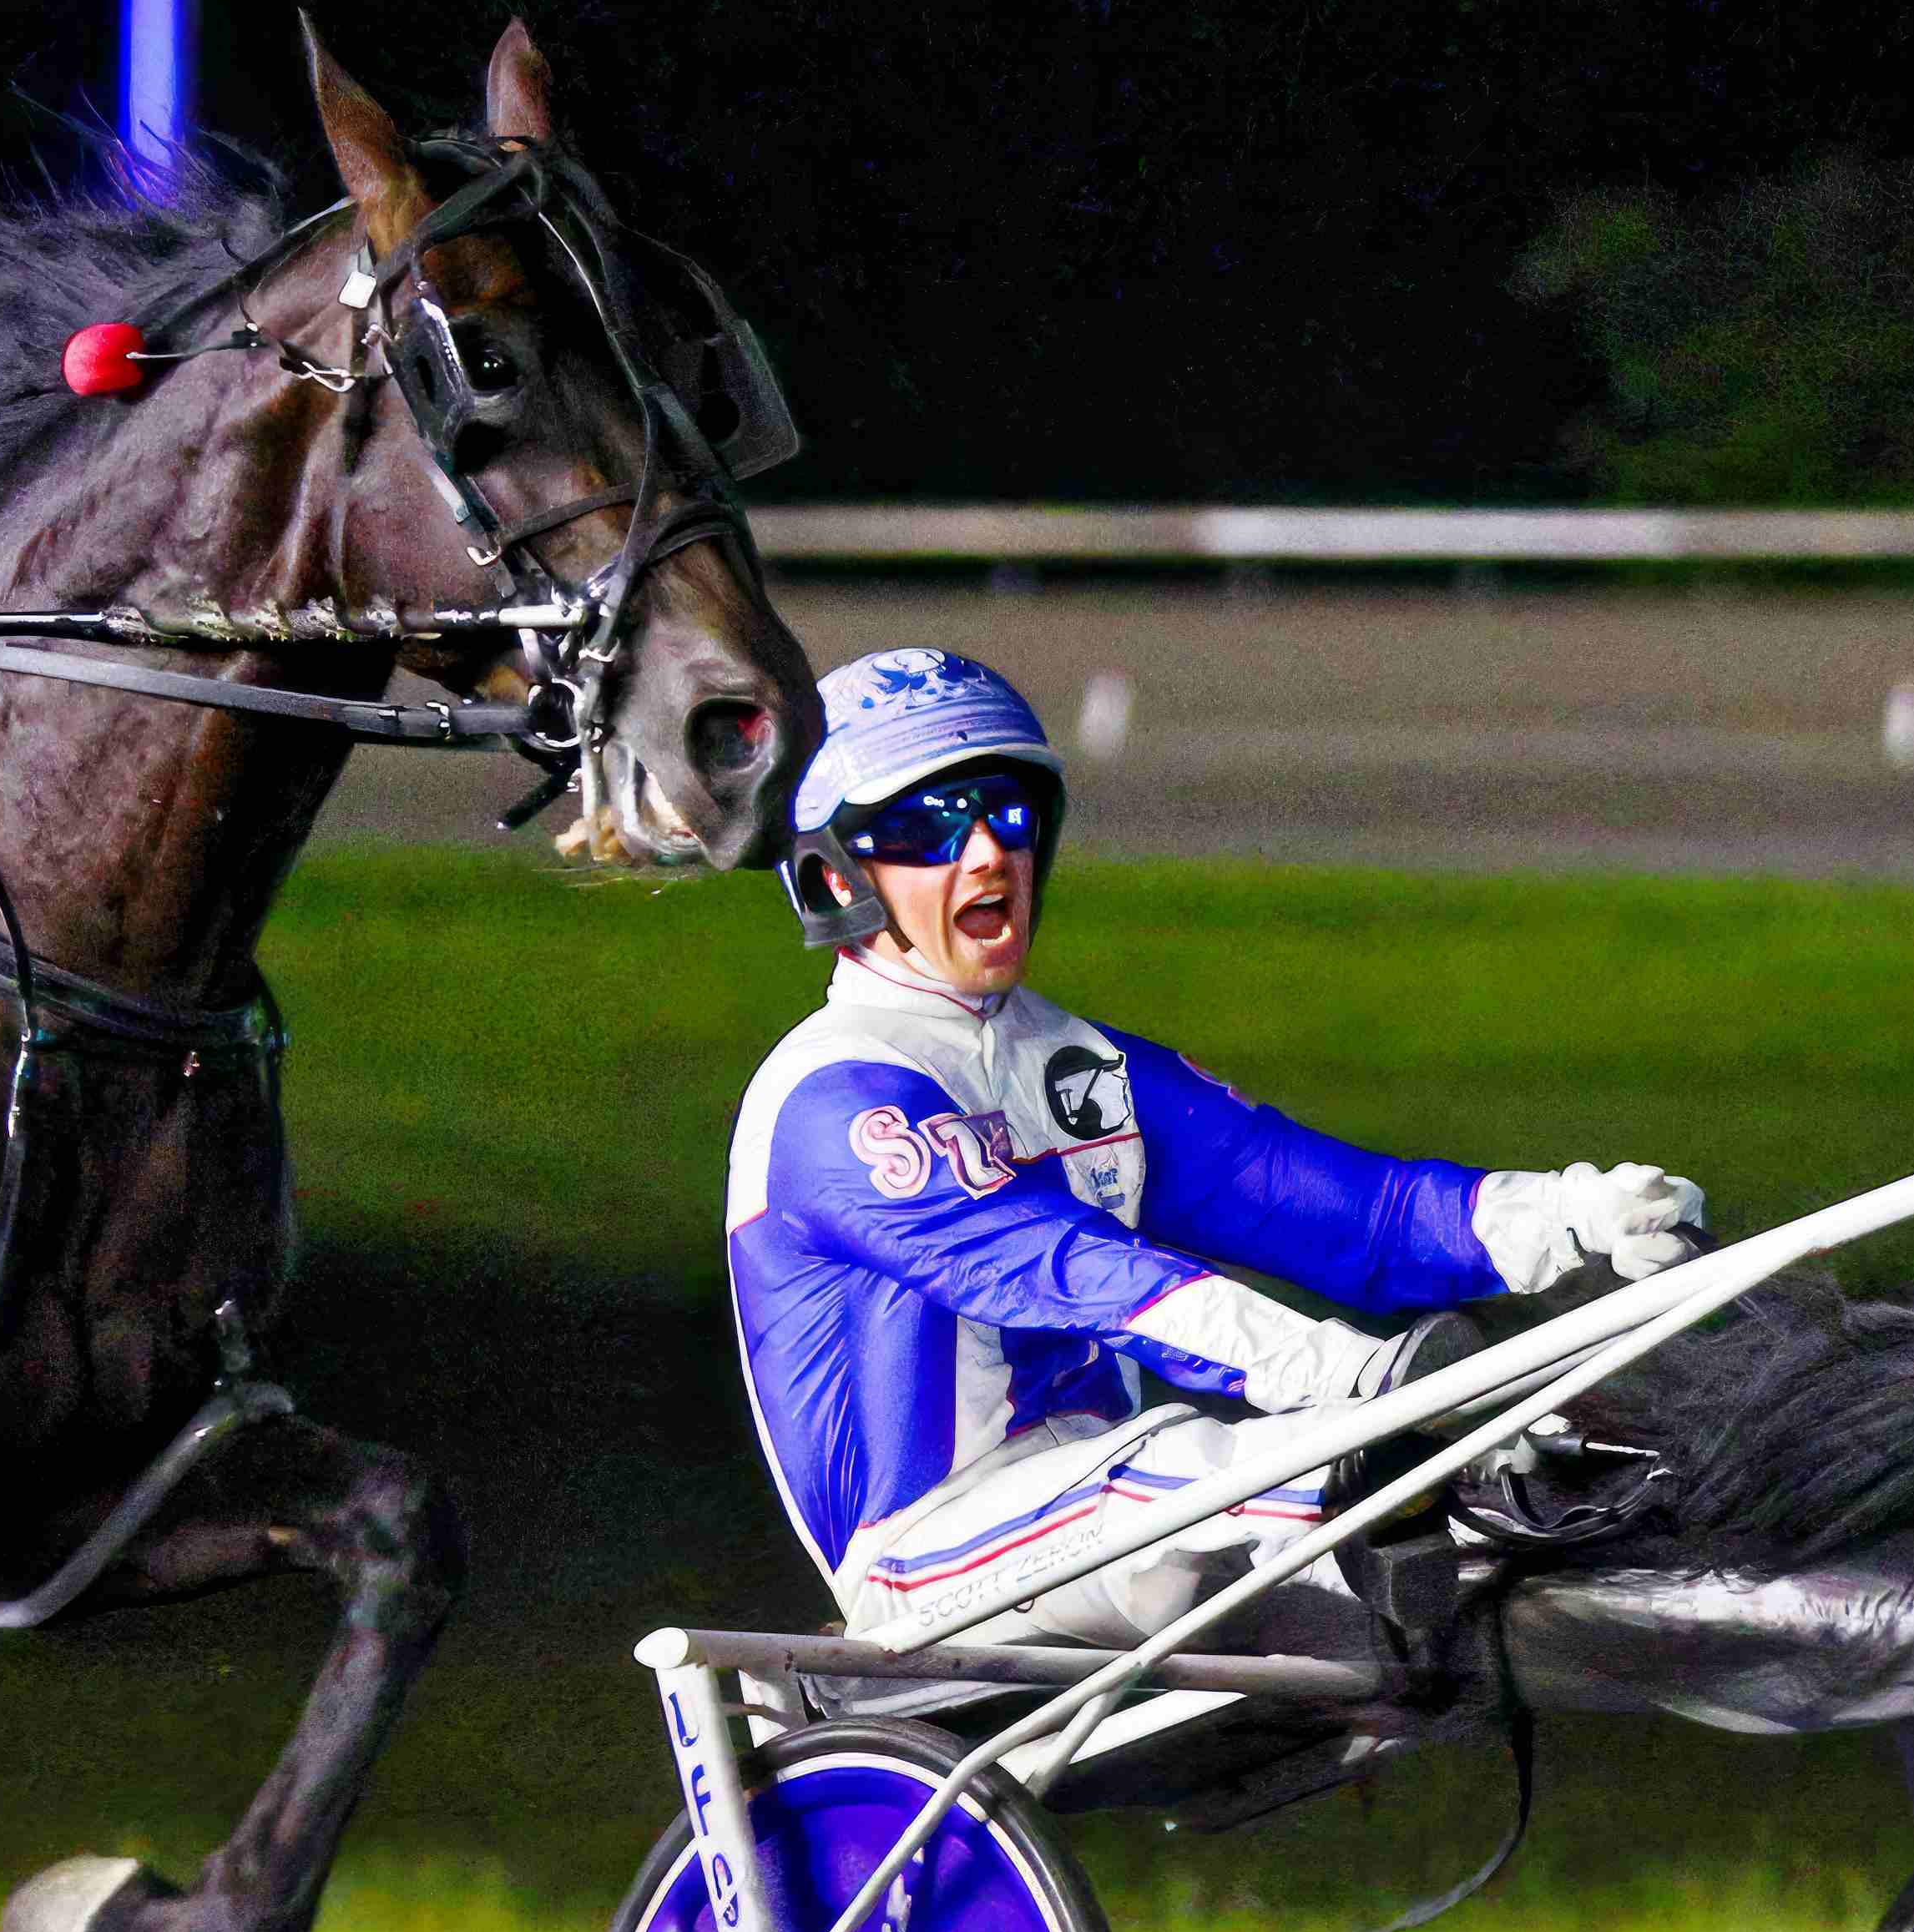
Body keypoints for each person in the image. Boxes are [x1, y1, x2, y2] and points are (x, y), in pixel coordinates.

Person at [724, 646, 1702, 1650]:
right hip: (925, 1562)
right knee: (1215, 1459)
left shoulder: (1076, 1060)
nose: (985, 856)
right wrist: (1352, 1379)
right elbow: (1078, 1275)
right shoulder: (833, 1097)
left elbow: (1345, 1214)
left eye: (1004, 815)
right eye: (928, 827)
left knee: (1285, 1465)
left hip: (1122, 1512)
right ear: (834, 874)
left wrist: (1573, 1214)